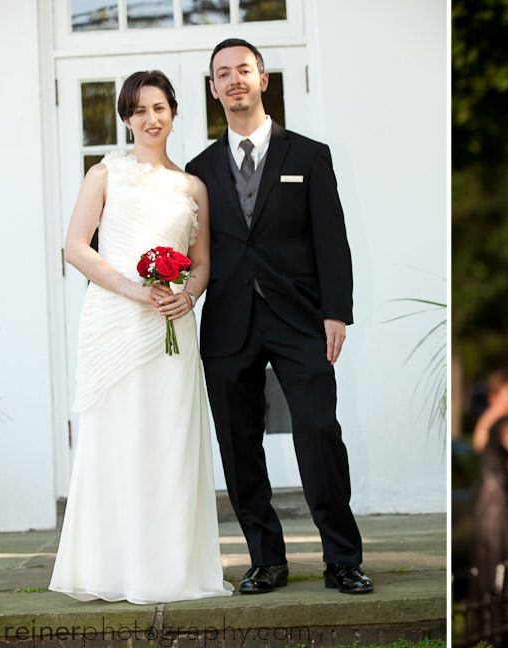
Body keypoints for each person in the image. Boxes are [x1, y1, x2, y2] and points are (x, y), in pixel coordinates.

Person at [185, 38, 372, 595]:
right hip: (227, 322)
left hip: (299, 319)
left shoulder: (309, 156)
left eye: (244, 69)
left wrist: (336, 312)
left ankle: (341, 558)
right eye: (223, 74)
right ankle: (266, 559)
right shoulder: (199, 170)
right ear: (214, 88)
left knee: (318, 432)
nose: (234, 80)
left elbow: (331, 240)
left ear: (263, 79)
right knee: (238, 445)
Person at [49, 71, 232, 603]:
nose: (152, 119)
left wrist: (188, 295)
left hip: (172, 323)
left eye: (161, 108)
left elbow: (202, 265)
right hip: (117, 317)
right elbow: (76, 248)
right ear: (127, 118)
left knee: (170, 440)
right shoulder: (104, 174)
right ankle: (114, 568)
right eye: (140, 110)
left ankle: (171, 568)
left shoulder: (192, 186)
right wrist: (133, 289)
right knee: (119, 437)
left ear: (174, 113)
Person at [472, 370, 508, 592]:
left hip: (490, 496)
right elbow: (479, 443)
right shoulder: (500, 423)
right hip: (496, 497)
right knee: (497, 551)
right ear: (496, 396)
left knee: (492, 552)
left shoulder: (501, 423)